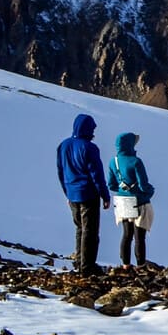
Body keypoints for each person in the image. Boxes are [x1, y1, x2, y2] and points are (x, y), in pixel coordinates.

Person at [55, 113, 109, 276]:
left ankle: (80, 262)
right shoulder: (89, 148)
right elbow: (97, 174)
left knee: (79, 228)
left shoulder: (63, 145)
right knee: (90, 231)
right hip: (88, 194)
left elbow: (61, 171)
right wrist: (105, 195)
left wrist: (67, 192)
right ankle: (88, 266)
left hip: (72, 193)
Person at [106, 132, 156, 267]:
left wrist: (123, 191)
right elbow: (144, 185)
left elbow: (111, 185)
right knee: (139, 236)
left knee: (126, 234)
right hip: (139, 202)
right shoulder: (136, 162)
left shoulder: (113, 162)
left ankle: (125, 265)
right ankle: (140, 265)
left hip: (122, 202)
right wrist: (150, 192)